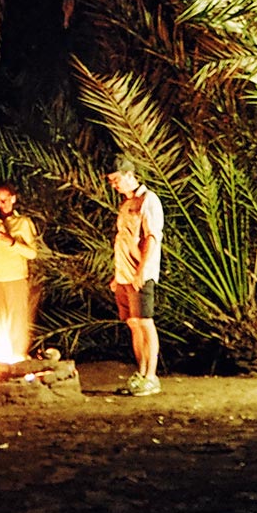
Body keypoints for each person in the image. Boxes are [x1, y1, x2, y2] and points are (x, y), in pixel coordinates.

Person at [108, 154, 163, 396]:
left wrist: (141, 271)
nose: (114, 185)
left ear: (130, 175)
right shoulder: (125, 204)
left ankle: (151, 376)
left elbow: (152, 238)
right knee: (133, 324)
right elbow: (124, 240)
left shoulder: (148, 200)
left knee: (145, 322)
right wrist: (117, 275)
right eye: (111, 181)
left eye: (117, 179)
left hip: (140, 274)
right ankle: (140, 374)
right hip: (123, 275)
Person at [0, 183, 39, 359]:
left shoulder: (23, 223)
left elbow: (32, 253)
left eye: (5, 200)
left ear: (13, 198)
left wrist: (10, 240)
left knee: (17, 321)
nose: (1, 204)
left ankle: (17, 359)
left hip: (16, 278)